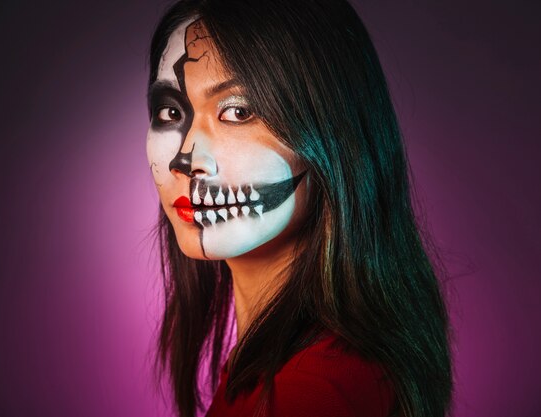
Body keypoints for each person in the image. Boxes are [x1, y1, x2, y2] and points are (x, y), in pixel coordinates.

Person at [145, 1, 452, 416]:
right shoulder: (290, 367)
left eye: (237, 111)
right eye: (171, 111)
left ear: (331, 134)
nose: (187, 156)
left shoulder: (311, 391)